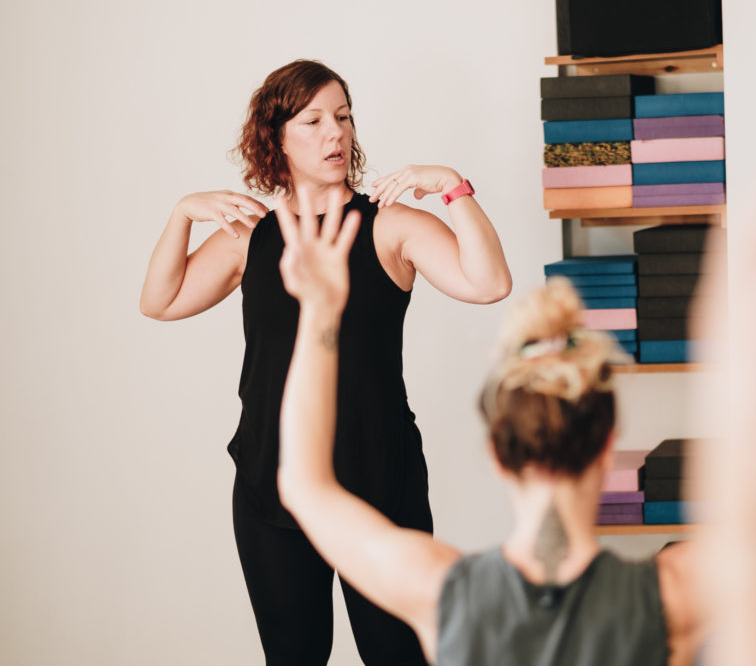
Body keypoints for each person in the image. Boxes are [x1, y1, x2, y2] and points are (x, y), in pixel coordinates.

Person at [276, 149, 756, 665]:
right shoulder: (674, 597)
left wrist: (322, 312)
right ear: (609, 443)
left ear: (495, 453)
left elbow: (303, 482)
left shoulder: (442, 594)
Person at [140, 59, 511, 666]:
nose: (335, 133)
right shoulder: (249, 236)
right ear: (276, 137)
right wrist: (181, 213)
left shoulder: (390, 226)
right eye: (313, 120)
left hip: (380, 480)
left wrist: (453, 185)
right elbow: (160, 301)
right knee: (294, 657)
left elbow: (489, 282)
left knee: (399, 655)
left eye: (342, 117)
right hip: (272, 481)